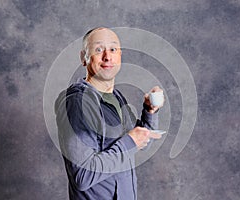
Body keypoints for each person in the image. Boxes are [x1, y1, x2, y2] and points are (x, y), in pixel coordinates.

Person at [55, 27, 164, 200]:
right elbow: (82, 176)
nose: (107, 56)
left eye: (113, 49)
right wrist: (130, 141)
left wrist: (150, 111)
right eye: (98, 50)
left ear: (120, 55)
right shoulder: (77, 102)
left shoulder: (115, 97)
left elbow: (141, 142)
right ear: (84, 58)